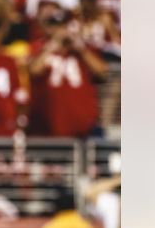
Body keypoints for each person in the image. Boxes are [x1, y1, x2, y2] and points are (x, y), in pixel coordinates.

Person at [26, 10, 107, 138]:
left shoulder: (82, 50)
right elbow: (33, 71)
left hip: (82, 127)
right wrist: (51, 47)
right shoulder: (39, 47)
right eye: (54, 25)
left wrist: (81, 49)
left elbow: (102, 72)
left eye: (63, 25)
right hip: (48, 128)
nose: (59, 30)